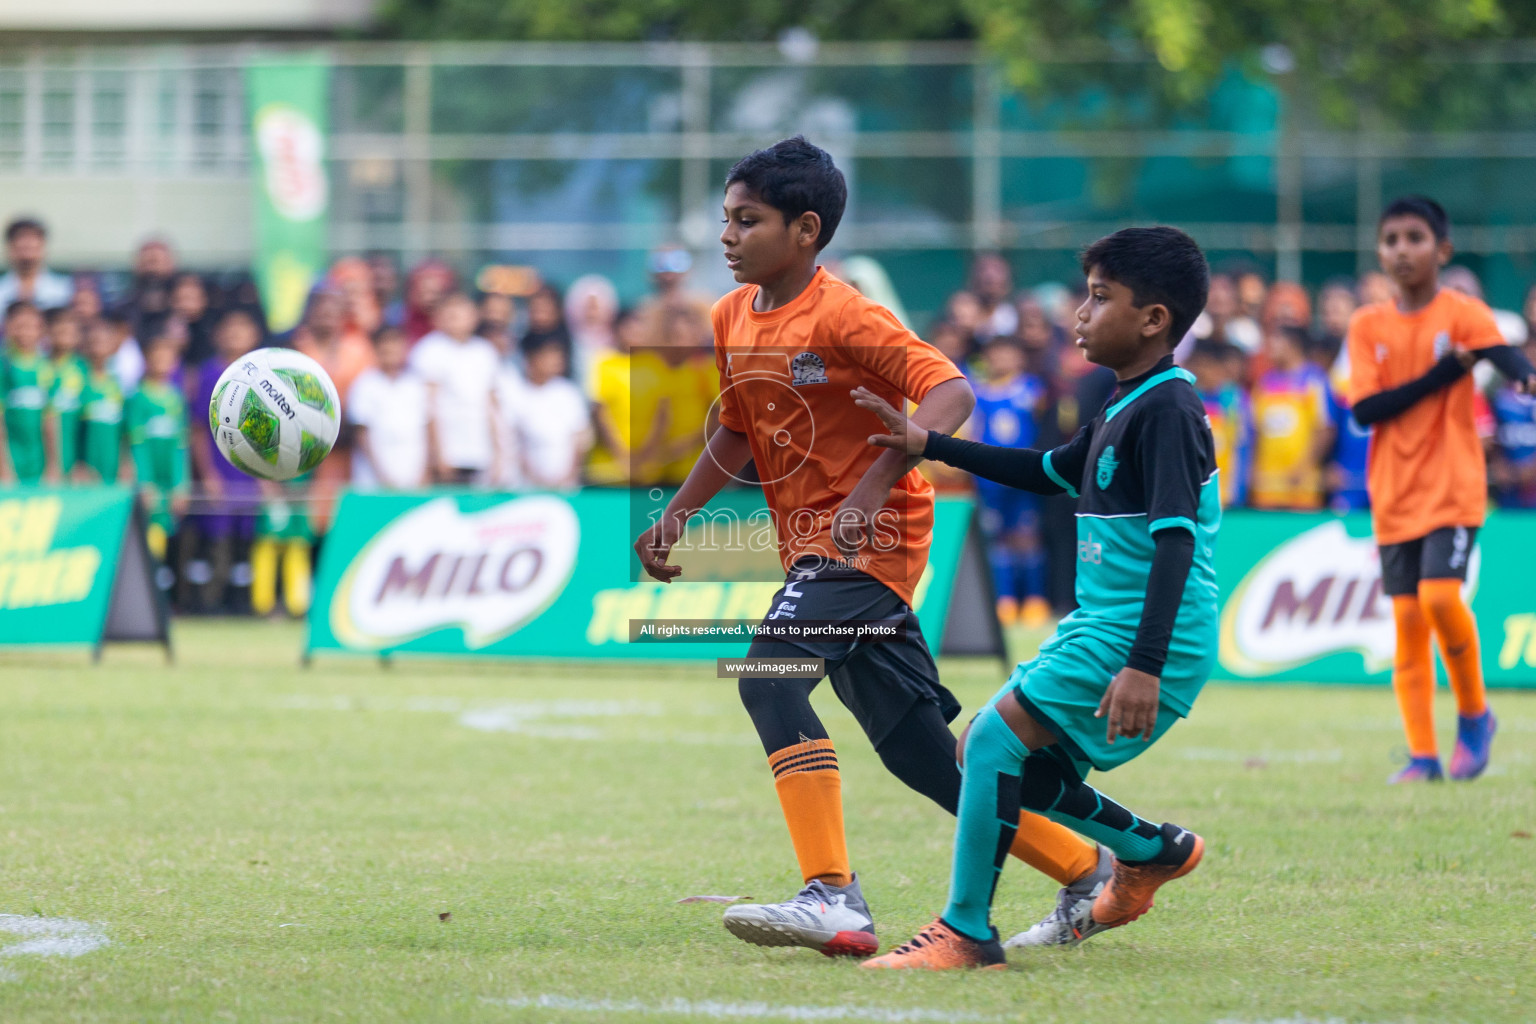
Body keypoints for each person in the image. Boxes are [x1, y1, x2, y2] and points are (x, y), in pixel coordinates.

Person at [632, 136, 1103, 959]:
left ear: (805, 230)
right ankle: (1084, 868)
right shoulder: (729, 315)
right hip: (813, 549)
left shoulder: (847, 313)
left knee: (768, 677)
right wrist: (677, 514)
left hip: (873, 540)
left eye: (748, 221)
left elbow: (950, 390)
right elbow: (739, 428)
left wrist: (874, 486)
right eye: (726, 219)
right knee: (923, 757)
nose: (727, 237)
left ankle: (833, 896)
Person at [859, 226, 1216, 970]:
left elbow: (1177, 541)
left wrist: (1145, 664)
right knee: (1002, 759)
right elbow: (1050, 470)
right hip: (1106, 625)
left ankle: (965, 932)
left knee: (990, 742)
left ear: (1153, 319)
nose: (1080, 315)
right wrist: (930, 445)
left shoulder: (1171, 411)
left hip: (1142, 633)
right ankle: (1153, 850)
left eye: (1098, 298)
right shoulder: (1130, 403)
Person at [1347, 196, 1536, 783]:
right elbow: (1368, 408)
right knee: (1406, 621)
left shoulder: (1461, 312)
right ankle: (1424, 755)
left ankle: (1475, 716)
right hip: (1394, 491)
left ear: (1442, 249)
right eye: (1391, 240)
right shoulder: (1367, 325)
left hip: (1454, 484)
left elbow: (1505, 358)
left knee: (1438, 598)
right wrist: (1443, 375)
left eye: (1414, 238)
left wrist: (1526, 378)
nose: (1401, 250)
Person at [970, 335, 1049, 627]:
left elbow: (1047, 428)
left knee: (1027, 538)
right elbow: (971, 432)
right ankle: (1004, 600)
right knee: (996, 540)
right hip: (988, 480)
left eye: (1008, 354)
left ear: (1019, 358)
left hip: (1024, 477)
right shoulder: (976, 392)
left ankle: (1035, 599)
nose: (1001, 360)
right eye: (995, 354)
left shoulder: (1031, 389)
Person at [411, 291, 501, 484]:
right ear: (439, 317)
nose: (456, 320)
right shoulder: (429, 350)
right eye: (450, 315)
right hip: (447, 452)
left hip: (479, 449)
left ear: (474, 317)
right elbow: (427, 406)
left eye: (461, 314)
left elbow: (492, 406)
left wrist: (498, 455)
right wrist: (437, 453)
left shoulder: (485, 352)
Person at [1249, 325, 1332, 510]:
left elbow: (1324, 430)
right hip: (1267, 485)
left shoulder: (1313, 379)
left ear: (1293, 345)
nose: (1269, 347)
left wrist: (1303, 467)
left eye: (1276, 341)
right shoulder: (1264, 382)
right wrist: (1252, 470)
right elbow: (1256, 432)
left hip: (1301, 486)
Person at [126, 332, 190, 564]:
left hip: (169, 483)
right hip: (148, 483)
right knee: (145, 532)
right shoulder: (138, 398)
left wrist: (180, 484)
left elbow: (180, 447)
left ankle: (158, 582)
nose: (162, 361)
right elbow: (136, 444)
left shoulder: (176, 399)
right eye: (157, 356)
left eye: (168, 356)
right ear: (146, 360)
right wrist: (144, 482)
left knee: (163, 531)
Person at [497, 337, 592, 490]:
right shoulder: (518, 393)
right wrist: (533, 477)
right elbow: (515, 439)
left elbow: (580, 438)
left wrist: (568, 475)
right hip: (527, 483)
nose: (555, 360)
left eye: (558, 355)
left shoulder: (568, 393)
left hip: (566, 483)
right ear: (531, 358)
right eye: (548, 355)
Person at [348, 326, 430, 491]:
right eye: (385, 345)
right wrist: (381, 475)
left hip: (413, 476)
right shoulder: (364, 384)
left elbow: (426, 430)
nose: (390, 349)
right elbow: (361, 434)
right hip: (373, 479)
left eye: (395, 344)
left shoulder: (416, 384)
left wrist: (425, 472)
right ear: (376, 349)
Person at [1186, 339, 1252, 508]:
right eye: (1197, 365)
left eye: (1205, 365)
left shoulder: (1235, 399)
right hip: (1196, 492)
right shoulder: (1190, 398)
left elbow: (1244, 444)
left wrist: (1240, 488)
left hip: (1229, 492)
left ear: (1218, 367)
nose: (1200, 371)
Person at [0, 300, 59, 484]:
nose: (25, 332)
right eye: (19, 326)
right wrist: (4, 467)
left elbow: (50, 421)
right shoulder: (5, 367)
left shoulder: (47, 368)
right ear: (8, 327)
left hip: (39, 463)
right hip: (12, 462)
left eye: (31, 327)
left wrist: (53, 465)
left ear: (41, 330)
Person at [75, 317, 130, 484]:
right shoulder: (78, 381)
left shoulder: (118, 385)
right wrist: (79, 464)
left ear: (114, 346)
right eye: (93, 341)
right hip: (85, 470)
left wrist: (125, 463)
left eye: (103, 341)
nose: (97, 346)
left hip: (112, 468)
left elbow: (124, 431)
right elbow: (71, 429)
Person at [1489, 330, 1536, 509]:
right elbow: (1491, 434)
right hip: (1508, 493)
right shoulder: (1501, 396)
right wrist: (1499, 464)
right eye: (1527, 356)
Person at [0, 218, 72, 321]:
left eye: (32, 248)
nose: (27, 256)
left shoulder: (65, 290)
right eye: (22, 248)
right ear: (10, 249)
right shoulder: (2, 291)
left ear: (43, 248)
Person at [45, 309, 88, 480]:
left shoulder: (84, 370)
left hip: (75, 461)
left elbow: (87, 422)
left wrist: (82, 462)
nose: (64, 335)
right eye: (59, 330)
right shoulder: (41, 367)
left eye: (70, 330)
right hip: (44, 462)